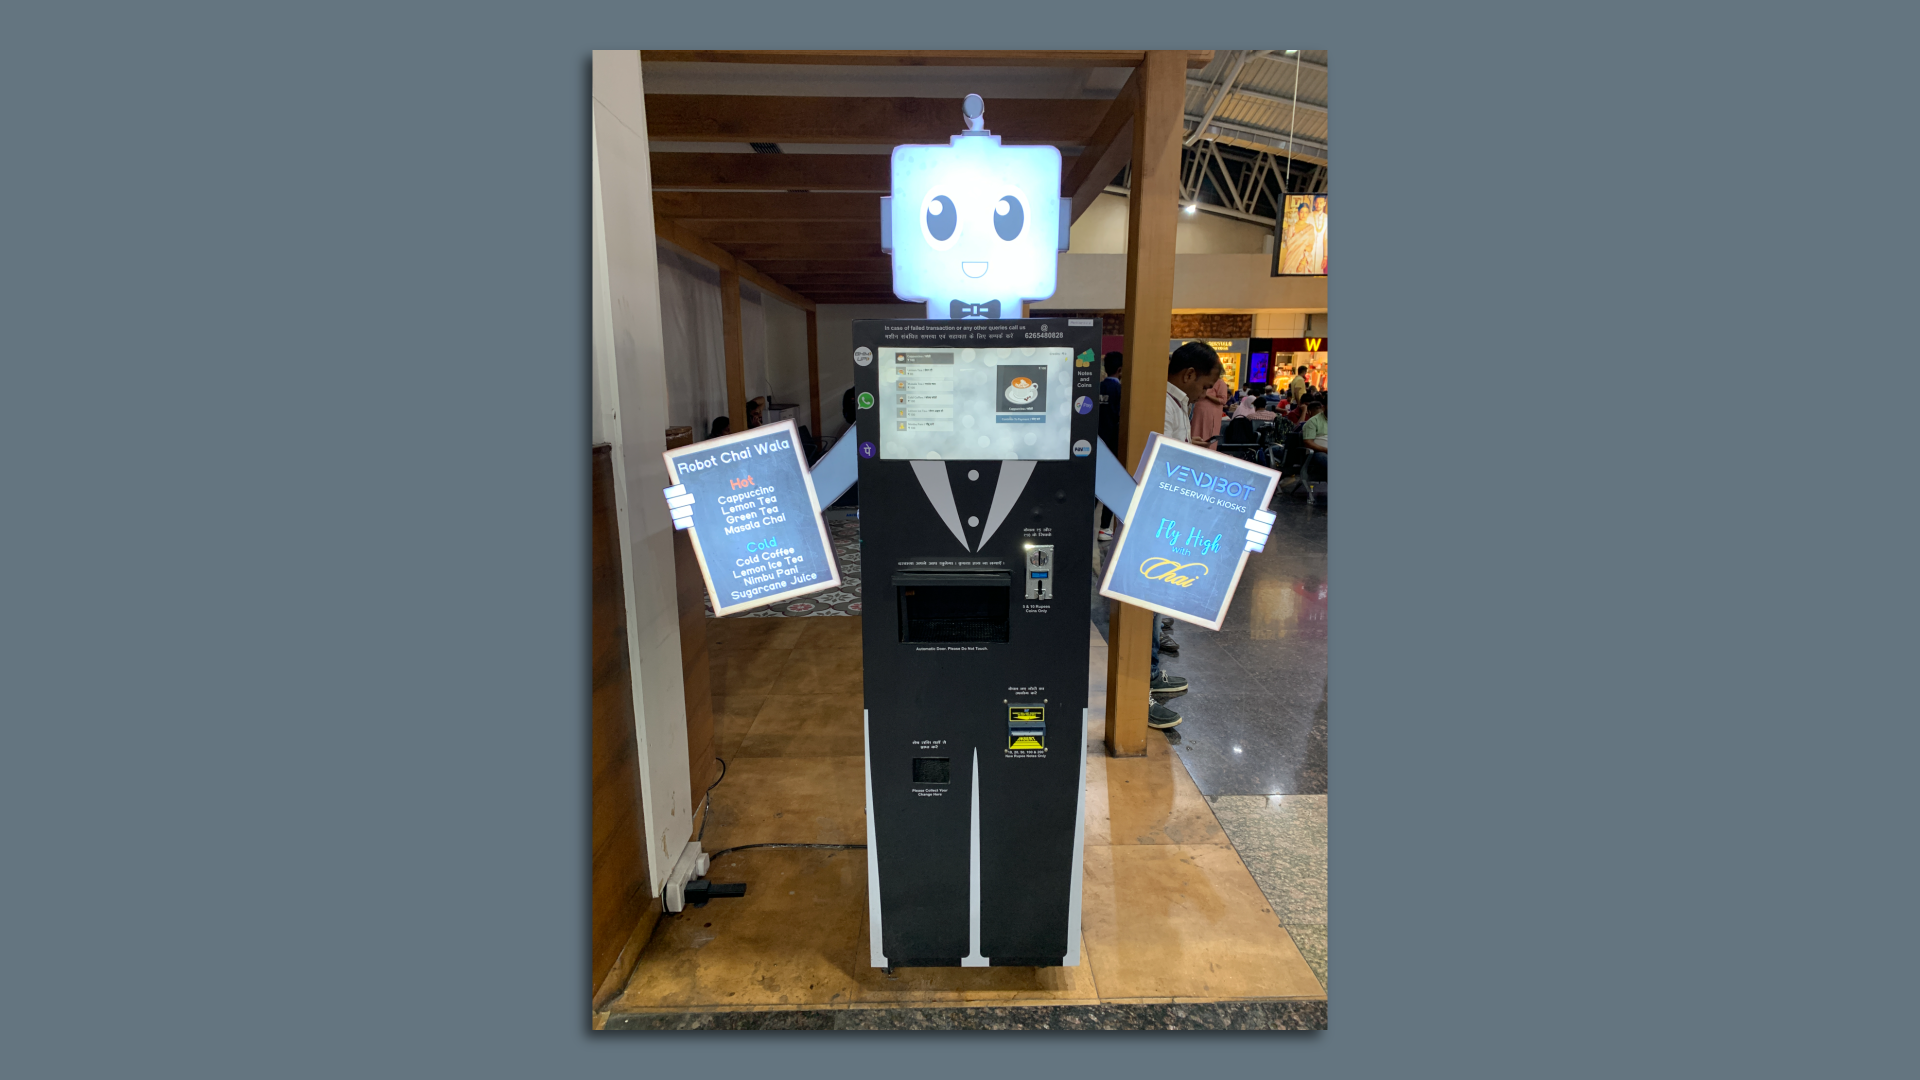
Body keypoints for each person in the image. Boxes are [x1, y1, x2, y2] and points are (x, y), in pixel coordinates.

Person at [1145, 341, 1225, 730]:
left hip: (1167, 516)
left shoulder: (1176, 402)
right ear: (1189, 374)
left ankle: (1153, 674)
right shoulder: (1161, 402)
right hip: (1156, 517)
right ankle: (1140, 690)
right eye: (1207, 384)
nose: (1208, 392)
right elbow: (1162, 464)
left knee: (1158, 606)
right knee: (1146, 606)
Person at [1096, 352, 1124, 540]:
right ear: (1121, 370)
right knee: (1110, 486)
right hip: (1113, 445)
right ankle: (1105, 527)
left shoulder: (1095, 388)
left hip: (1095, 444)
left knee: (1094, 486)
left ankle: (1082, 526)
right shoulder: (1121, 391)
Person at [1298, 395, 1328, 506]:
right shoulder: (1313, 421)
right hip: (1318, 453)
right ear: (1324, 407)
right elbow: (1308, 442)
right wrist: (1325, 449)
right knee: (1324, 457)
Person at [1191, 374, 1230, 447]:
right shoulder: (1202, 379)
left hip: (1210, 415)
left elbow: (1223, 400)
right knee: (1195, 431)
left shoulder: (1220, 383)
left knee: (1208, 435)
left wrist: (1207, 396)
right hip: (1197, 413)